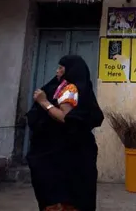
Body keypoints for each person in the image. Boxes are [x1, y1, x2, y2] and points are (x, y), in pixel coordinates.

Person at [26, 55, 104, 211]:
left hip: (69, 153)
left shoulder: (71, 89)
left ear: (71, 70)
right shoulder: (60, 86)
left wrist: (44, 103)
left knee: (65, 195)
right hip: (59, 150)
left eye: (61, 68)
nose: (57, 71)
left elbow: (67, 118)